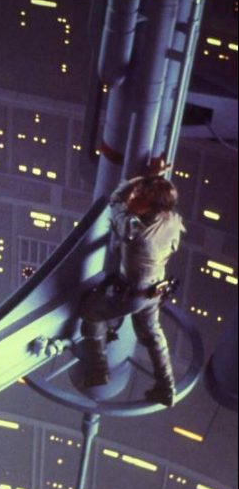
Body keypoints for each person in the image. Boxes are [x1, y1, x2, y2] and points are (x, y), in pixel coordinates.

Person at [79, 174, 185, 407]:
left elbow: (115, 200)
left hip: (133, 294)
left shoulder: (134, 230)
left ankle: (98, 371)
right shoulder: (173, 220)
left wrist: (133, 183)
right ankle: (167, 387)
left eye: (140, 198)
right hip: (156, 289)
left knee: (90, 313)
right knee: (153, 336)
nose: (133, 199)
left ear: (152, 206)